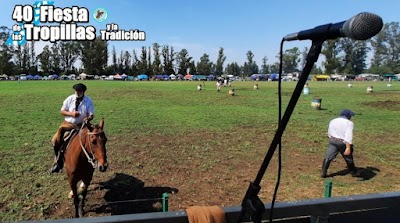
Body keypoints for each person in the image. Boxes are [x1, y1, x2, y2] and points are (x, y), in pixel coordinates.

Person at [50, 83, 94, 173]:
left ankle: (94, 160)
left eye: (80, 91)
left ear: (83, 92)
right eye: (76, 91)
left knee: (94, 140)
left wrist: (88, 118)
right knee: (55, 140)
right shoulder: (69, 99)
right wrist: (71, 114)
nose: (78, 92)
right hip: (68, 125)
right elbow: (62, 111)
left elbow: (91, 114)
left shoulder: (88, 101)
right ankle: (58, 162)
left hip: (82, 125)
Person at [321, 109, 359, 178]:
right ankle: (353, 172)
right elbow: (348, 135)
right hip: (342, 143)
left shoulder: (333, 120)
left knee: (328, 156)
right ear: (348, 116)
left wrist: (331, 139)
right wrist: (348, 147)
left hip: (332, 140)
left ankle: (323, 172)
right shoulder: (349, 123)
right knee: (348, 157)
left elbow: (329, 131)